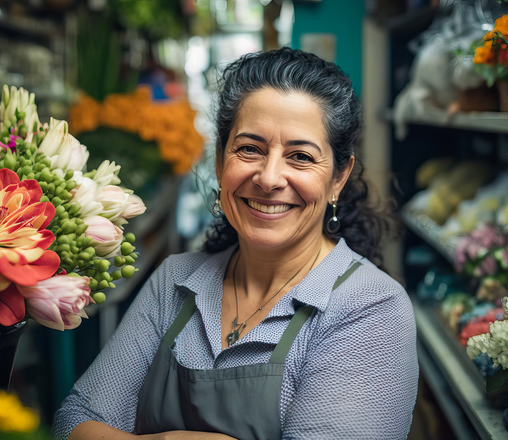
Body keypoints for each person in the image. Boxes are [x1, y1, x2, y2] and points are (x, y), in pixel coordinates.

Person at [53, 47, 418, 440]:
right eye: (249, 149)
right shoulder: (176, 279)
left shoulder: (371, 307)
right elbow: (75, 419)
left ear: (337, 178)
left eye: (300, 156)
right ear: (219, 160)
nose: (269, 177)